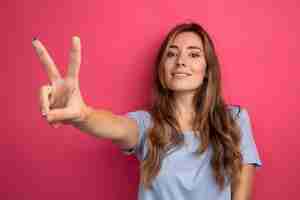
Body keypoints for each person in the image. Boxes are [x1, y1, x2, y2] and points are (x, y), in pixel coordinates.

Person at [32, 21, 262, 200]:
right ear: (162, 69)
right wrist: (83, 115)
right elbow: (115, 125)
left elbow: (242, 194)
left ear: (207, 70)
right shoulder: (146, 125)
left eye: (194, 54)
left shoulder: (235, 120)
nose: (181, 61)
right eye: (171, 54)